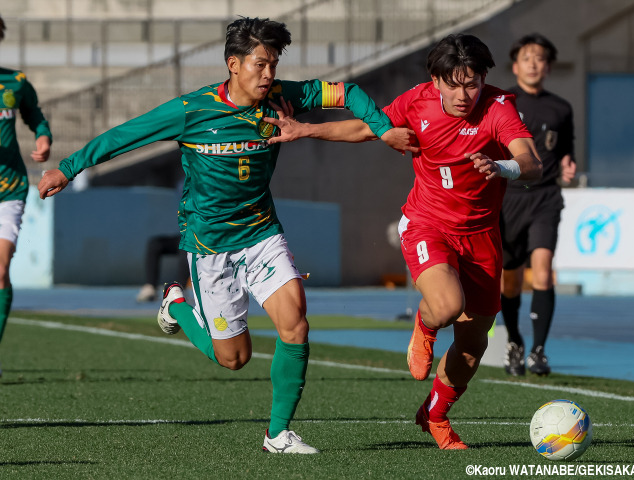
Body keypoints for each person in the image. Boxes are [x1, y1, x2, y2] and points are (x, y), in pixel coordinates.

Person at [38, 17, 414, 453]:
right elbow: (125, 136)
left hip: (261, 233)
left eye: (273, 64)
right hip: (209, 244)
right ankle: (177, 305)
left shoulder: (282, 98)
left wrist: (383, 127)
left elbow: (346, 93)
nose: (269, 74)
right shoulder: (191, 111)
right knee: (233, 359)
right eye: (260, 64)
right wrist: (67, 169)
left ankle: (277, 434)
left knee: (295, 322)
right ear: (233, 65)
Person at [263, 33, 542, 450]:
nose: (464, 94)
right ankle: (426, 323)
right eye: (454, 83)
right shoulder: (417, 101)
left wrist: (502, 166)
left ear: (484, 78)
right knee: (448, 306)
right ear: (436, 79)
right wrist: (304, 129)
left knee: (473, 343)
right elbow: (366, 126)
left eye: (473, 83)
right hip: (428, 223)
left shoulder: (500, 106)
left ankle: (435, 415)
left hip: (482, 235)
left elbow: (531, 160)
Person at [500, 33, 576, 377]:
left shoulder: (561, 108)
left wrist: (568, 164)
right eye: (527, 57)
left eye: (540, 58)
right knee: (510, 281)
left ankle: (539, 351)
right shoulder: (501, 103)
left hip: (545, 197)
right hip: (507, 199)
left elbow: (565, 149)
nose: (533, 63)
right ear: (515, 65)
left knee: (543, 271)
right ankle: (514, 341)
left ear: (548, 66)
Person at [0, 16, 52, 377]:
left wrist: (43, 137)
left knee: (0, 271)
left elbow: (35, 116)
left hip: (9, 188)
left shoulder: (15, 82)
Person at [135, 233, 189, 302]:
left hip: (198, 239)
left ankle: (179, 290)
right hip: (183, 236)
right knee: (154, 244)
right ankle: (150, 287)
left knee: (186, 244)